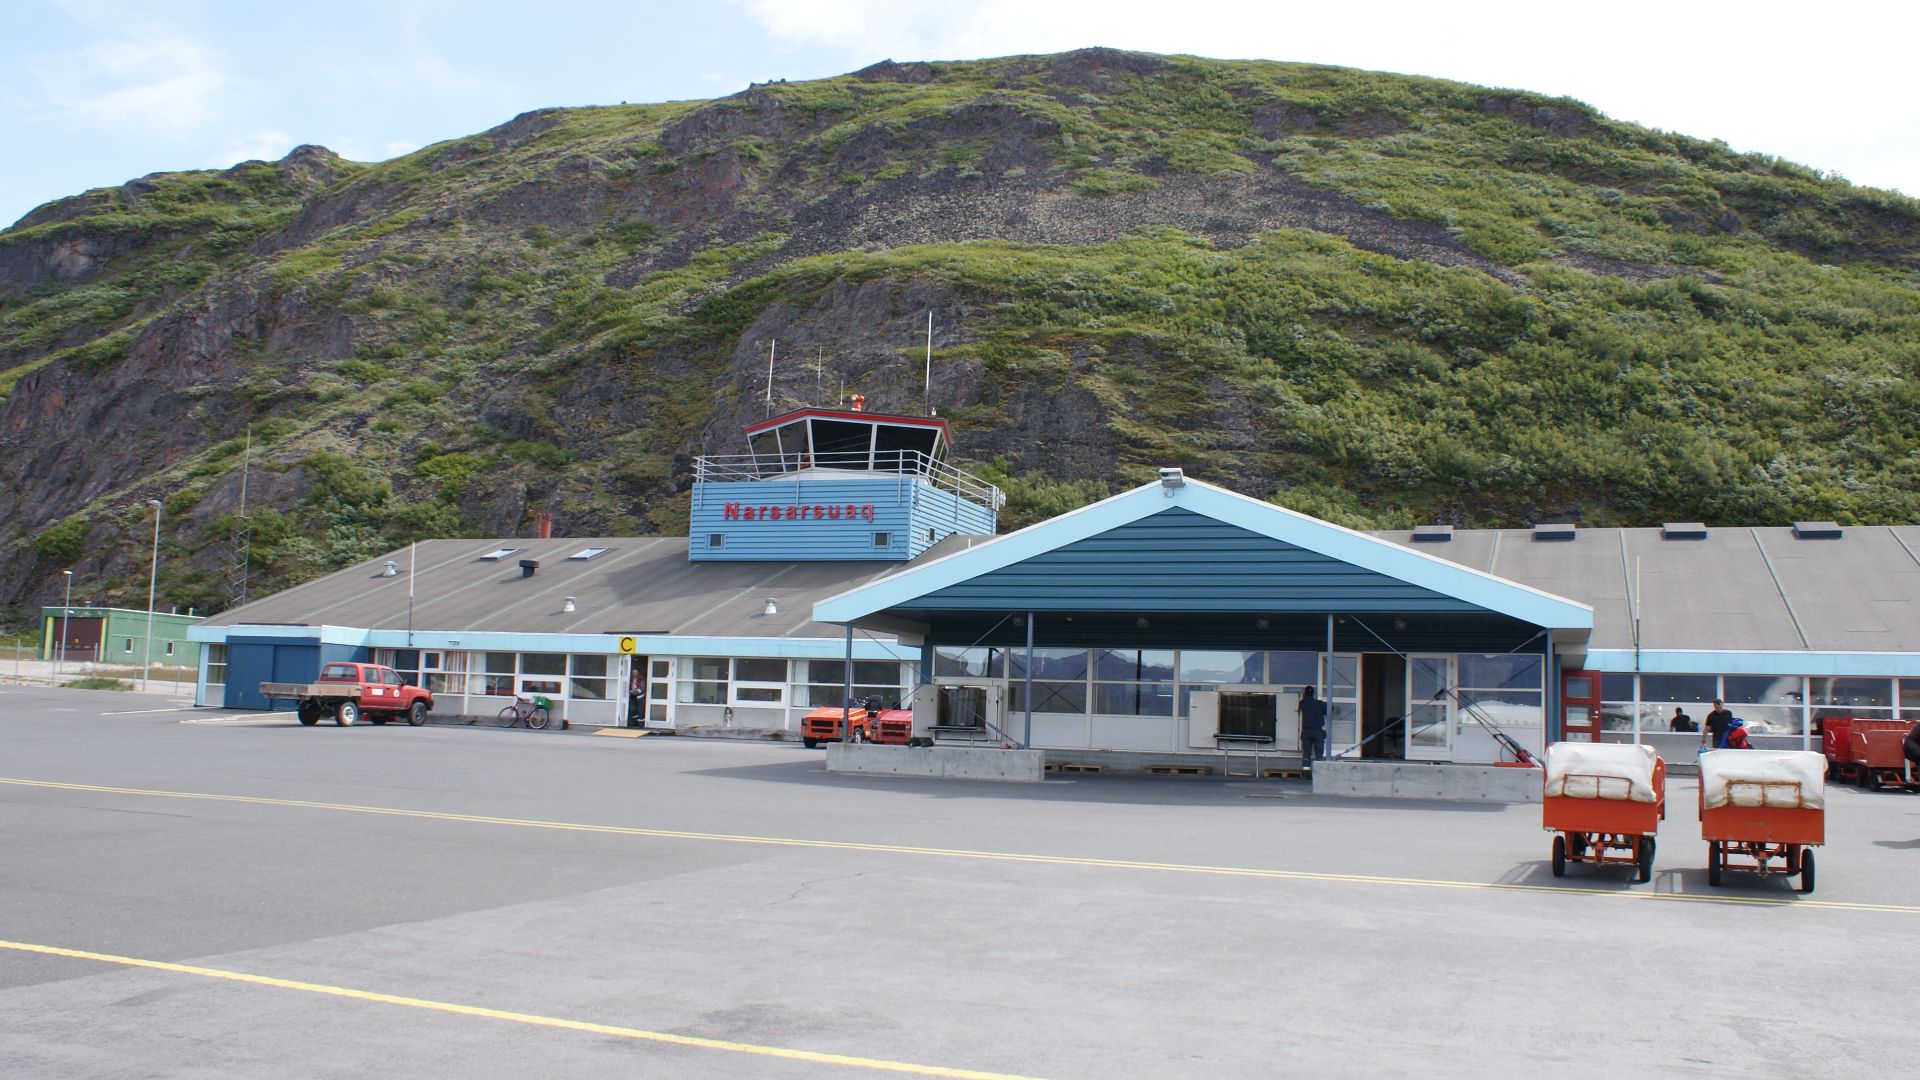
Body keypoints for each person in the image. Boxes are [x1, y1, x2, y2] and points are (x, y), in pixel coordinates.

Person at [1298, 686, 1329, 771]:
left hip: (1306, 731)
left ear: (1305, 694)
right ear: (1313, 694)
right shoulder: (1320, 704)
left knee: (1306, 754)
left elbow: (1303, 705)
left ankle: (1306, 771)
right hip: (1317, 731)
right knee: (1319, 753)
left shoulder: (1302, 703)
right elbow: (1329, 710)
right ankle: (1319, 770)